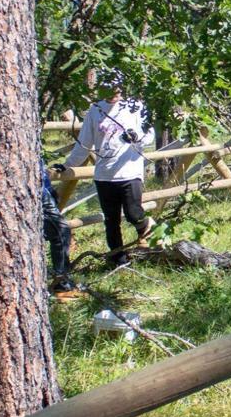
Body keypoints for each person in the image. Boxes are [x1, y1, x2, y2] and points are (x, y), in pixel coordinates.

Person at [59, 79, 155, 265]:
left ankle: (151, 237)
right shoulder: (96, 110)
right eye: (109, 86)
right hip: (104, 175)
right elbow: (84, 143)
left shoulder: (135, 107)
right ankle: (118, 260)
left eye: (117, 86)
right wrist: (67, 165)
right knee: (111, 221)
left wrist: (137, 137)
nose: (114, 91)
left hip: (129, 172)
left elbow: (149, 134)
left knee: (134, 213)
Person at [40, 160, 74, 291]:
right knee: (61, 232)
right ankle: (61, 280)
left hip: (43, 190)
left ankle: (61, 278)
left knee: (61, 232)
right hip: (39, 193)